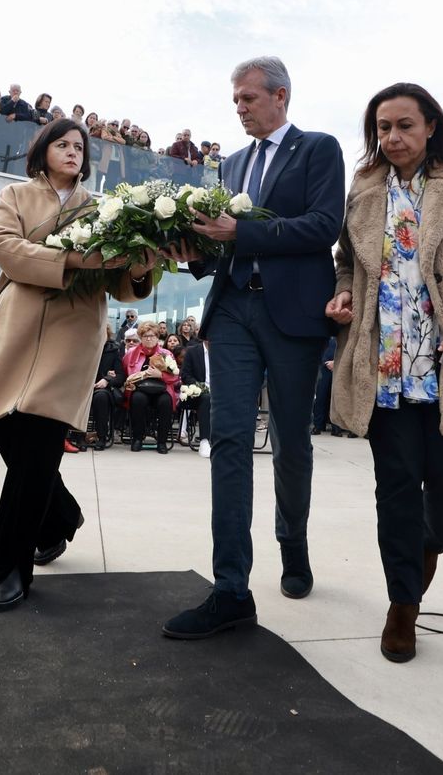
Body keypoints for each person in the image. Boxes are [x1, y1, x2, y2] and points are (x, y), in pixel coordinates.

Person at [323, 82, 443, 664]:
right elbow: (344, 264)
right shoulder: (362, 191)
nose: (392, 137)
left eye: (404, 125)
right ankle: (402, 605)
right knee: (398, 491)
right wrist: (342, 296)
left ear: (430, 125)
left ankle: (422, 557)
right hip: (382, 374)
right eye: (382, 128)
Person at [161, 56, 345, 641]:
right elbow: (222, 245)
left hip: (293, 316)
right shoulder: (231, 164)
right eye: (234, 100)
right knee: (231, 438)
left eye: (247, 98)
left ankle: (293, 544)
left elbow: (323, 226)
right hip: (234, 310)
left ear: (280, 95)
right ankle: (231, 589)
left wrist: (243, 231)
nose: (238, 107)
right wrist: (189, 247)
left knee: (292, 441)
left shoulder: (319, 149)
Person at [0, 118, 154, 611]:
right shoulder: (15, 195)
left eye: (79, 146)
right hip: (17, 327)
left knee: (38, 450)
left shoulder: (103, 208)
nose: (72, 152)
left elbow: (122, 281)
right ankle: (61, 516)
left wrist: (140, 261)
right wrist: (74, 261)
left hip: (72, 334)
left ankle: (9, 570)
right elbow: (5, 250)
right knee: (8, 431)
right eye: (63, 144)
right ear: (43, 150)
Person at [123, 325, 181, 453]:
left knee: (165, 401)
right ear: (141, 338)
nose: (149, 339)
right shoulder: (131, 354)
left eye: (152, 336)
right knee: (138, 399)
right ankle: (137, 439)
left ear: (157, 337)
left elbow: (176, 377)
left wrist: (160, 375)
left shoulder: (166, 354)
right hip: (140, 389)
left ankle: (161, 441)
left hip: (161, 389)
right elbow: (124, 373)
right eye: (145, 336)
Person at [89, 336, 126, 448]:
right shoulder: (82, 348)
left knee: (101, 397)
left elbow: (120, 376)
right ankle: (79, 437)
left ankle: (101, 436)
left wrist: (107, 380)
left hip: (102, 389)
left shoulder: (113, 351)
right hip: (81, 387)